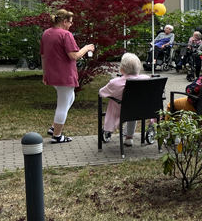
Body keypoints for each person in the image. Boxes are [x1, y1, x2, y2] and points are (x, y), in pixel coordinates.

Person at [41, 9, 95, 144]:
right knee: (63, 105)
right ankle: (57, 135)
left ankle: (54, 127)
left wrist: (45, 73)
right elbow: (74, 56)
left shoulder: (47, 33)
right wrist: (87, 48)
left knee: (70, 98)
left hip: (52, 72)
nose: (71, 25)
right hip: (64, 74)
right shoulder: (66, 35)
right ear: (65, 22)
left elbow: (43, 55)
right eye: (70, 22)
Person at [99, 53, 148, 146]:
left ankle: (109, 129)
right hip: (139, 110)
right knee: (133, 108)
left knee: (117, 105)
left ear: (122, 70)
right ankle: (129, 137)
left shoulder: (115, 82)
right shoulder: (145, 79)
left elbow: (101, 92)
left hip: (120, 111)